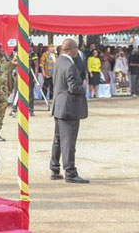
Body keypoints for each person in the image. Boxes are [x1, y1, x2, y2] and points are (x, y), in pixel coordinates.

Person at [50, 38, 89, 184]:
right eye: (76, 50)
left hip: (58, 106)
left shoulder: (58, 62)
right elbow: (73, 88)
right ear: (72, 50)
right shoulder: (70, 66)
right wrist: (83, 88)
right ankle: (70, 172)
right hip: (69, 108)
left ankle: (54, 168)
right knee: (68, 142)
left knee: (58, 140)